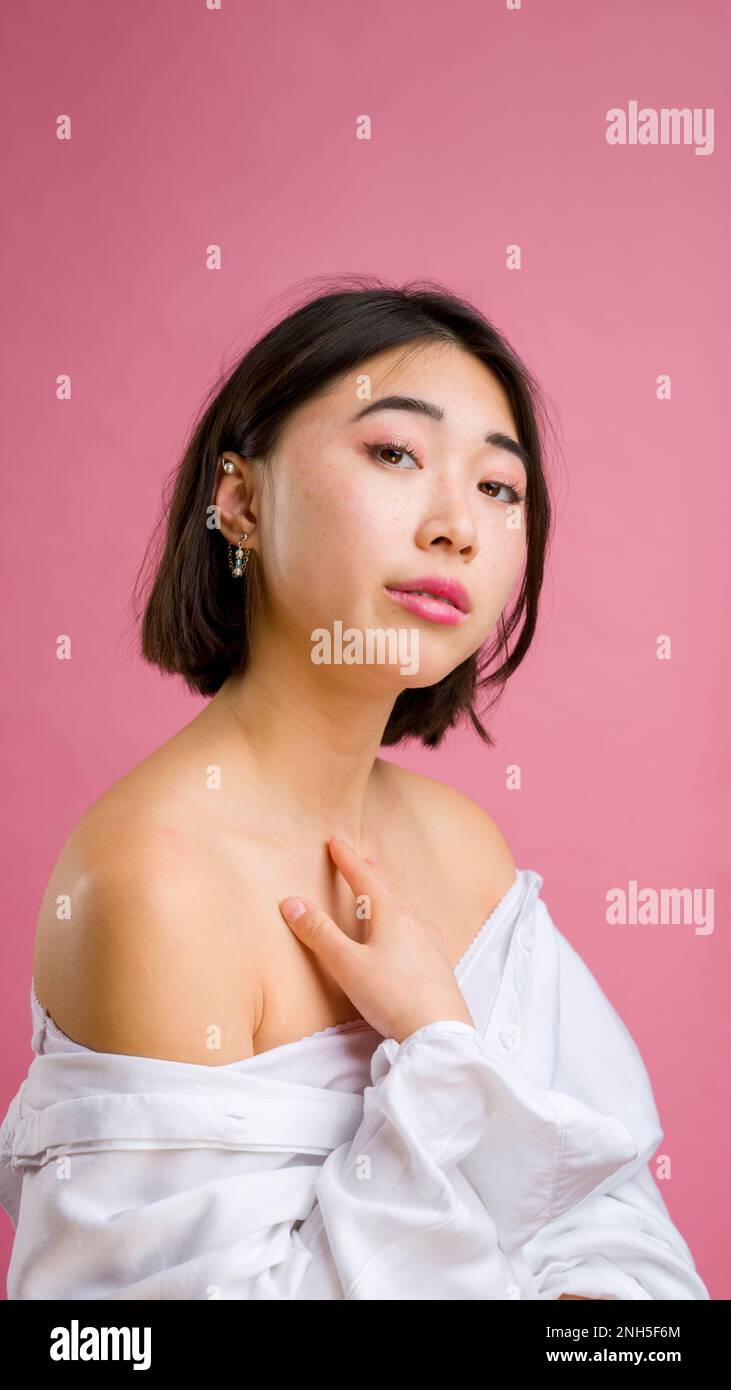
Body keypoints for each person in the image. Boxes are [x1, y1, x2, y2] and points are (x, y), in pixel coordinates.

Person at [0, 277, 710, 1300]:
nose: (455, 526)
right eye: (393, 453)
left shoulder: (460, 845)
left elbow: (611, 1242)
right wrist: (433, 1054)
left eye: (497, 489)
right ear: (238, 501)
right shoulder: (155, 885)